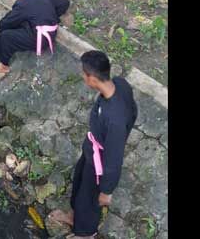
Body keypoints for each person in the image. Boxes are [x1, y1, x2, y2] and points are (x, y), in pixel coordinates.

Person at [48, 50, 138, 239]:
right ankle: (73, 217)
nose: (82, 76)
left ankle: (85, 233)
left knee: (88, 199)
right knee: (79, 183)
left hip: (100, 163)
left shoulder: (115, 121)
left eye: (84, 73)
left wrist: (106, 190)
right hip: (91, 149)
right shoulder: (120, 84)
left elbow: (114, 161)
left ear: (92, 79)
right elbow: (134, 109)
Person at [0, 0, 69, 74]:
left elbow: (9, 20)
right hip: (50, 32)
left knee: (6, 36)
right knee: (21, 22)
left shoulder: (23, 3)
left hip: (40, 39)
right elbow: (65, 3)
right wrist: (51, 16)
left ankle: (3, 66)